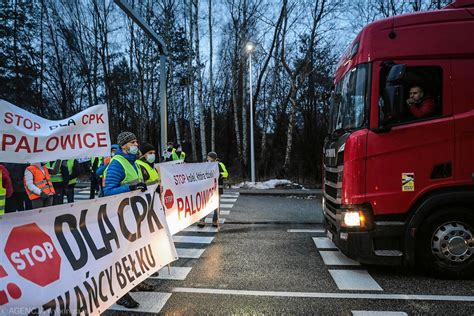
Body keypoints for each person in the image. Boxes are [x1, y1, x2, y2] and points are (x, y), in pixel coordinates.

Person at [103, 131, 155, 308]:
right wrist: (130, 187)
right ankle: (121, 293)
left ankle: (136, 281)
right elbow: (107, 191)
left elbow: (138, 185)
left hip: (134, 215)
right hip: (120, 217)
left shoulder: (133, 162)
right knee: (122, 255)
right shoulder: (117, 163)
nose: (136, 145)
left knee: (136, 251)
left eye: (136, 142)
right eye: (132, 142)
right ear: (123, 145)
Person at [198, 151, 229, 228]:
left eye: (209, 157)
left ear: (212, 158)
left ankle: (215, 221)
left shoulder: (220, 164)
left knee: (216, 205)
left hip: (217, 188)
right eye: (207, 157)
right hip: (207, 188)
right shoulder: (206, 165)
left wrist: (220, 175)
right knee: (205, 204)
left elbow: (226, 173)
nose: (207, 158)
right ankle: (202, 220)